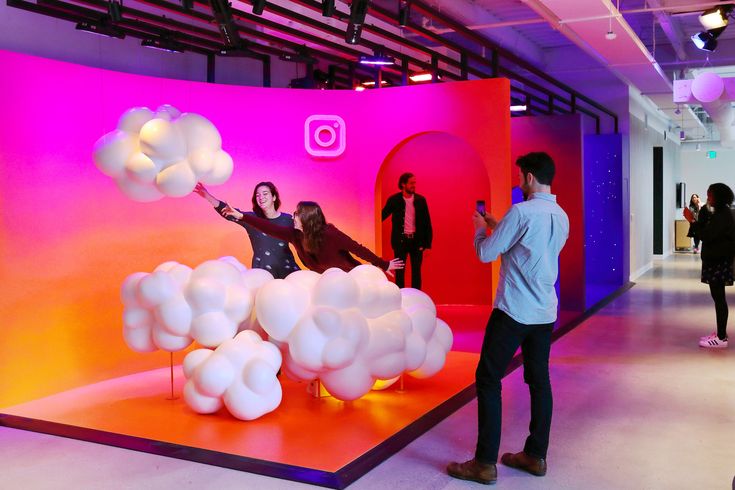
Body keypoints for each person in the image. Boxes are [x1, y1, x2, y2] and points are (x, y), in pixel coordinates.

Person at [447, 152, 569, 485]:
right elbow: (528, 247)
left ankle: (484, 463)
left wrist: (478, 230)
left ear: (529, 177)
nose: (518, 182)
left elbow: (486, 253)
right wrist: (496, 225)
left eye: (519, 177)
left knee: (488, 379)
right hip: (544, 312)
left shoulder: (522, 211)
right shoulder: (560, 215)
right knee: (539, 381)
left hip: (513, 310)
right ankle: (535, 455)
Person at [218, 199, 404, 275]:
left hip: (350, 278)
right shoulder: (294, 234)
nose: (293, 217)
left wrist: (383, 264)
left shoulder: (330, 233)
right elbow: (268, 227)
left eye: (297, 214)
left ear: (308, 219)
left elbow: (358, 249)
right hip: (325, 282)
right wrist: (242, 216)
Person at [194, 182, 300, 279]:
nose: (261, 197)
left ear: (274, 197)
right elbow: (229, 213)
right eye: (257, 195)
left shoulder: (288, 219)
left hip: (288, 273)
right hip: (262, 275)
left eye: (265, 193)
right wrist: (207, 196)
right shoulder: (251, 219)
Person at [697, 183, 735, 349]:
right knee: (718, 298)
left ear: (718, 197)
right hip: (717, 261)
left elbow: (707, 235)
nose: (708, 198)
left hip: (719, 262)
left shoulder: (723, 215)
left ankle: (721, 338)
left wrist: (692, 220)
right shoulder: (721, 213)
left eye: (710, 195)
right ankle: (721, 334)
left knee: (719, 299)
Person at [381, 173, 432, 289]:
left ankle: (417, 299)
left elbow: (427, 223)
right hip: (400, 242)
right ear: (403, 184)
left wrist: (427, 245)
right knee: (399, 272)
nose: (414, 185)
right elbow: (381, 216)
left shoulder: (421, 200)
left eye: (415, 183)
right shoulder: (394, 200)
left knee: (416, 272)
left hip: (417, 242)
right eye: (411, 183)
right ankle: (400, 298)